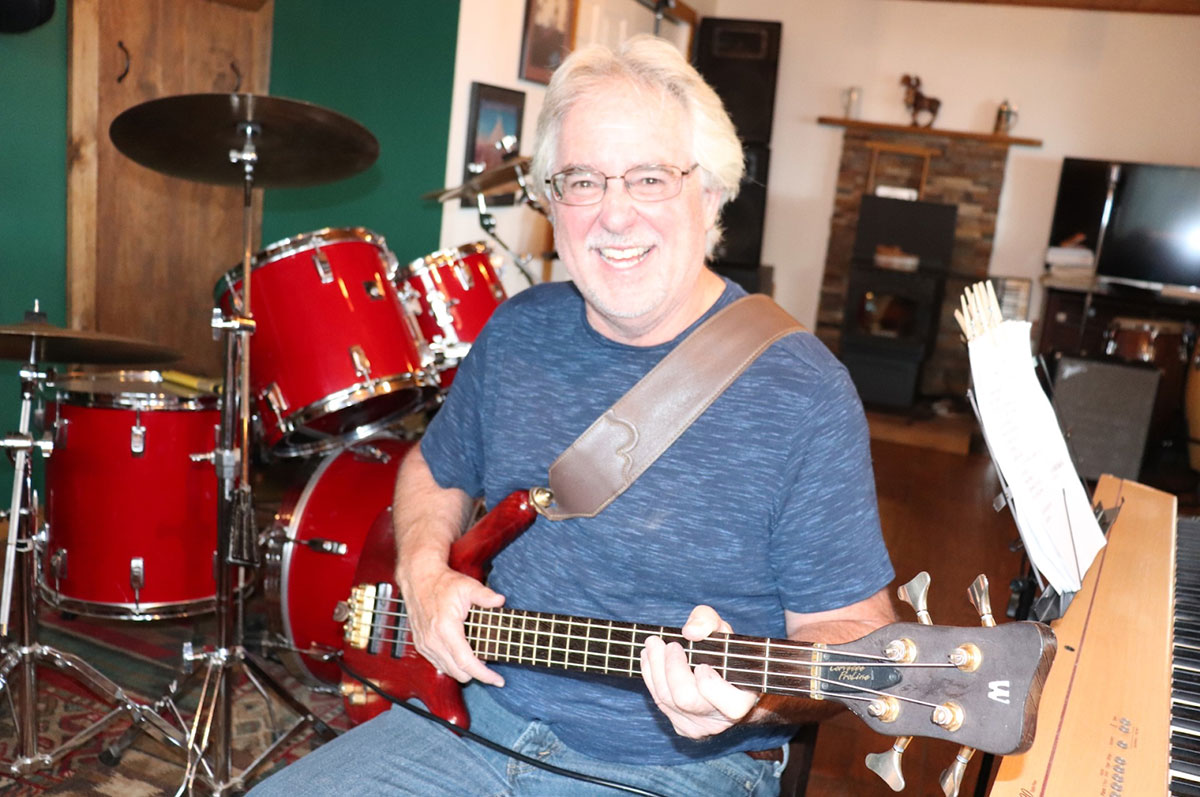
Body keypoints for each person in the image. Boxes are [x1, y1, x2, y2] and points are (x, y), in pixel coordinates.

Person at [250, 34, 895, 797]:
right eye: (582, 182)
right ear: (552, 204)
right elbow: (433, 467)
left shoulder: (802, 391)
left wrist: (749, 696)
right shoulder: (520, 328)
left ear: (712, 192)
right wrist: (423, 571)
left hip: (676, 766)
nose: (613, 216)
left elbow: (859, 637)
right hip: (475, 721)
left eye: (649, 177)